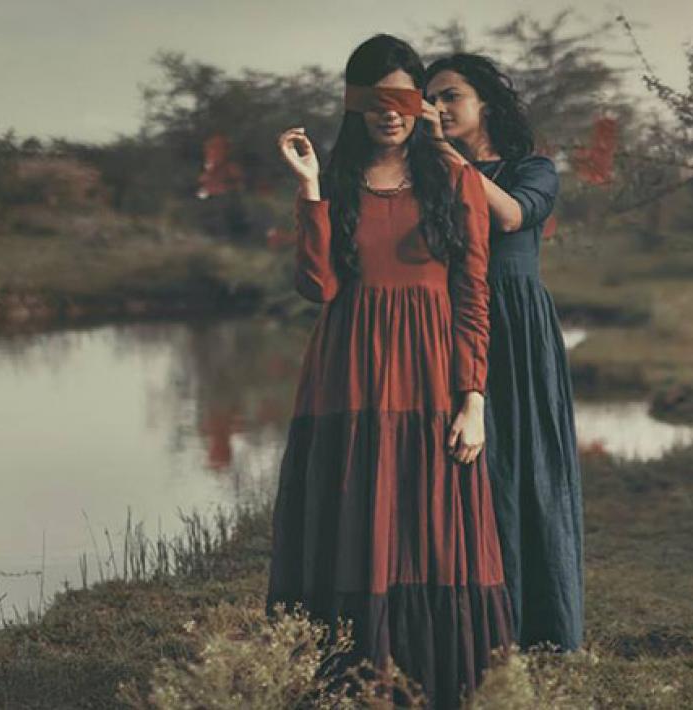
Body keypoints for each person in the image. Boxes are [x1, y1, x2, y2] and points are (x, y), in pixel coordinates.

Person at [266, 34, 513, 709]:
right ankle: (349, 681)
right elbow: (318, 288)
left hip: (432, 371)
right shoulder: (339, 181)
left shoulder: (457, 179)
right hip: (345, 374)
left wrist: (474, 398)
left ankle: (435, 680)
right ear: (353, 106)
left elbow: (473, 293)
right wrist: (312, 187)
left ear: (420, 104)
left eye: (404, 97)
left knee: (429, 523)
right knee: (355, 513)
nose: (390, 112)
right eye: (374, 99)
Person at [424, 53, 584, 652]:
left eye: (449, 97)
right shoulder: (426, 171)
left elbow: (513, 215)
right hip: (449, 325)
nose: (438, 109)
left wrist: (443, 154)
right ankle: (469, 634)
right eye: (429, 100)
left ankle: (539, 631)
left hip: (515, 327)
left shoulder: (531, 167)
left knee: (526, 472)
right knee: (461, 473)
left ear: (485, 102)